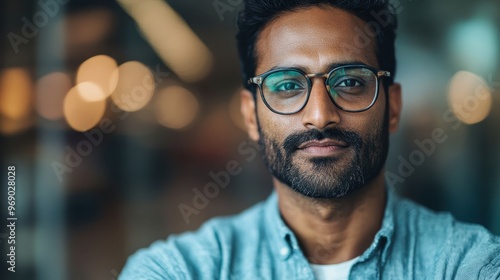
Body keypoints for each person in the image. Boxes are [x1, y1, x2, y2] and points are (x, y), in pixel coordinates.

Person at [120, 1, 500, 279]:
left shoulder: (470, 265)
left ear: (393, 106)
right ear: (252, 116)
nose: (319, 115)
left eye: (350, 82)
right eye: (286, 85)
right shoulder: (180, 271)